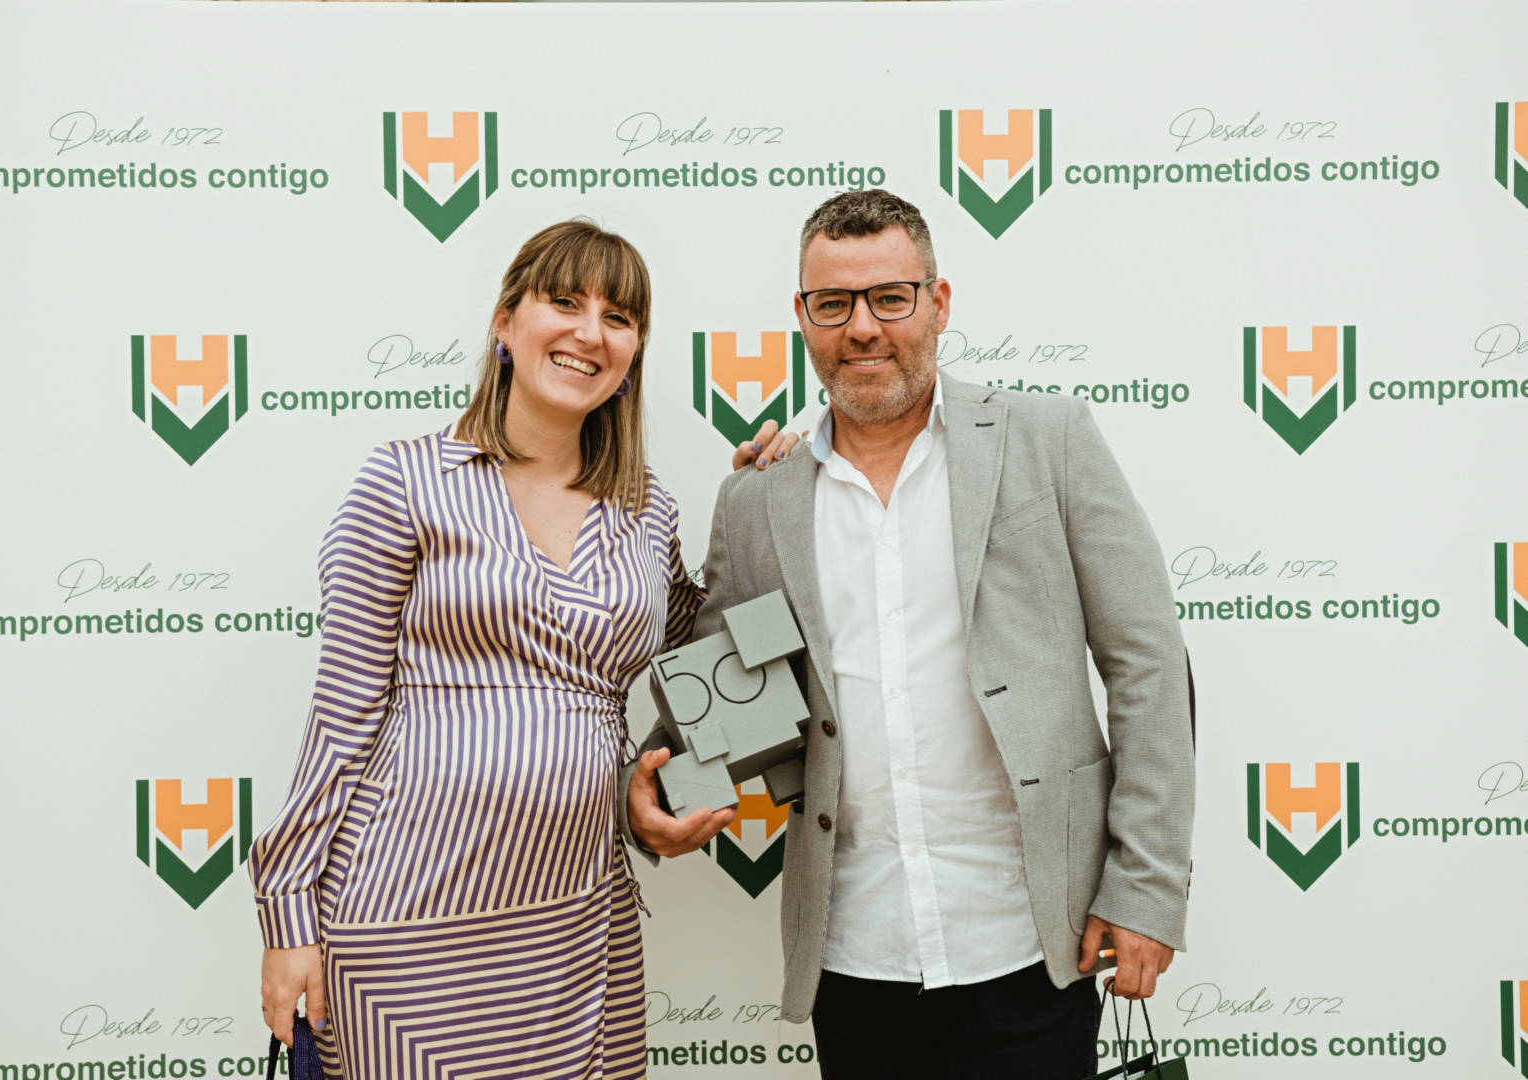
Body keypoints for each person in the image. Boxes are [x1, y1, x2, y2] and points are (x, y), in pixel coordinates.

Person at [623, 189, 1195, 1080]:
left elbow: (1149, 664)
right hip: (856, 955)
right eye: (833, 304)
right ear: (803, 316)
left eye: (890, 298)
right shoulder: (758, 499)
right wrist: (652, 794)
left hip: (1033, 939)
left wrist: (1146, 888)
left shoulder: (1049, 439)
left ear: (938, 301)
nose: (863, 328)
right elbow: (724, 700)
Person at [249, 219, 792, 1078]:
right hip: (402, 920)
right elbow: (341, 718)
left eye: (619, 317)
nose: (590, 332)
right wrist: (288, 918)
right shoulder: (405, 480)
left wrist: (770, 499)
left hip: (578, 925)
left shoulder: (646, 509)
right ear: (506, 322)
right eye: (564, 302)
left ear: (633, 355)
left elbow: (719, 646)